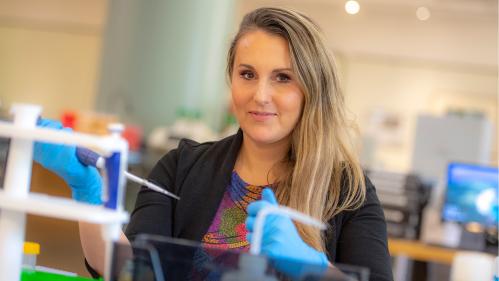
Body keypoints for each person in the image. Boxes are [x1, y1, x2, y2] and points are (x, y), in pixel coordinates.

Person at [34, 7, 393, 281]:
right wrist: (90, 199)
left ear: (312, 90)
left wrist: (314, 268)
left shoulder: (349, 194)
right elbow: (130, 271)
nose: (260, 95)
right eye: (247, 74)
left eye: (283, 78)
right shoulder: (181, 167)